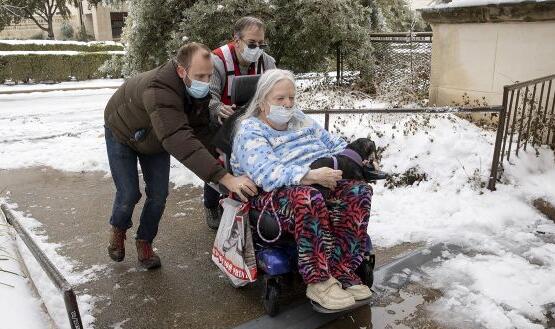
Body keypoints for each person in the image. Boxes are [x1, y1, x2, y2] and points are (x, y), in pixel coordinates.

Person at [103, 42, 257, 270]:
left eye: (209, 76)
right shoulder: (159, 89)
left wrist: (225, 166)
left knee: (159, 194)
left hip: (156, 138)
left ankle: (144, 241)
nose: (206, 83)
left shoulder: (197, 91)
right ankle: (118, 228)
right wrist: (224, 178)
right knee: (129, 193)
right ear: (181, 70)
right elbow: (178, 138)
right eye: (200, 76)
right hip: (122, 132)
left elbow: (201, 132)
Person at [230, 69, 373, 310]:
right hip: (273, 194)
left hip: (319, 180)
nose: (288, 104)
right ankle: (318, 282)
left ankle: (341, 268)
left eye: (291, 97)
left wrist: (358, 160)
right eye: (280, 99)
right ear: (263, 102)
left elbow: (334, 144)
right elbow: (267, 174)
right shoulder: (250, 130)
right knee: (309, 197)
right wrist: (309, 176)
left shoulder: (301, 119)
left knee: (359, 192)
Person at [203, 16, 277, 229]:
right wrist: (217, 108)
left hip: (256, 125)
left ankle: (256, 206)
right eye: (252, 44)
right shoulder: (217, 60)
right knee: (218, 164)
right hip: (222, 125)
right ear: (236, 40)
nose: (257, 49)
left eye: (261, 44)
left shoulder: (267, 62)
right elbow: (209, 96)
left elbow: (277, 91)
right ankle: (211, 204)